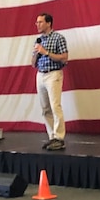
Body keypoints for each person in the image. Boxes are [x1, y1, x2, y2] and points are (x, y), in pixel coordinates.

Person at [33, 12, 69, 151]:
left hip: (53, 74)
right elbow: (32, 63)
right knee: (45, 108)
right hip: (40, 75)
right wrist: (37, 53)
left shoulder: (58, 38)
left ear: (49, 23)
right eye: (37, 22)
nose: (37, 25)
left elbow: (64, 57)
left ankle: (59, 138)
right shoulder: (38, 41)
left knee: (55, 106)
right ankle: (52, 136)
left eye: (40, 22)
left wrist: (46, 52)